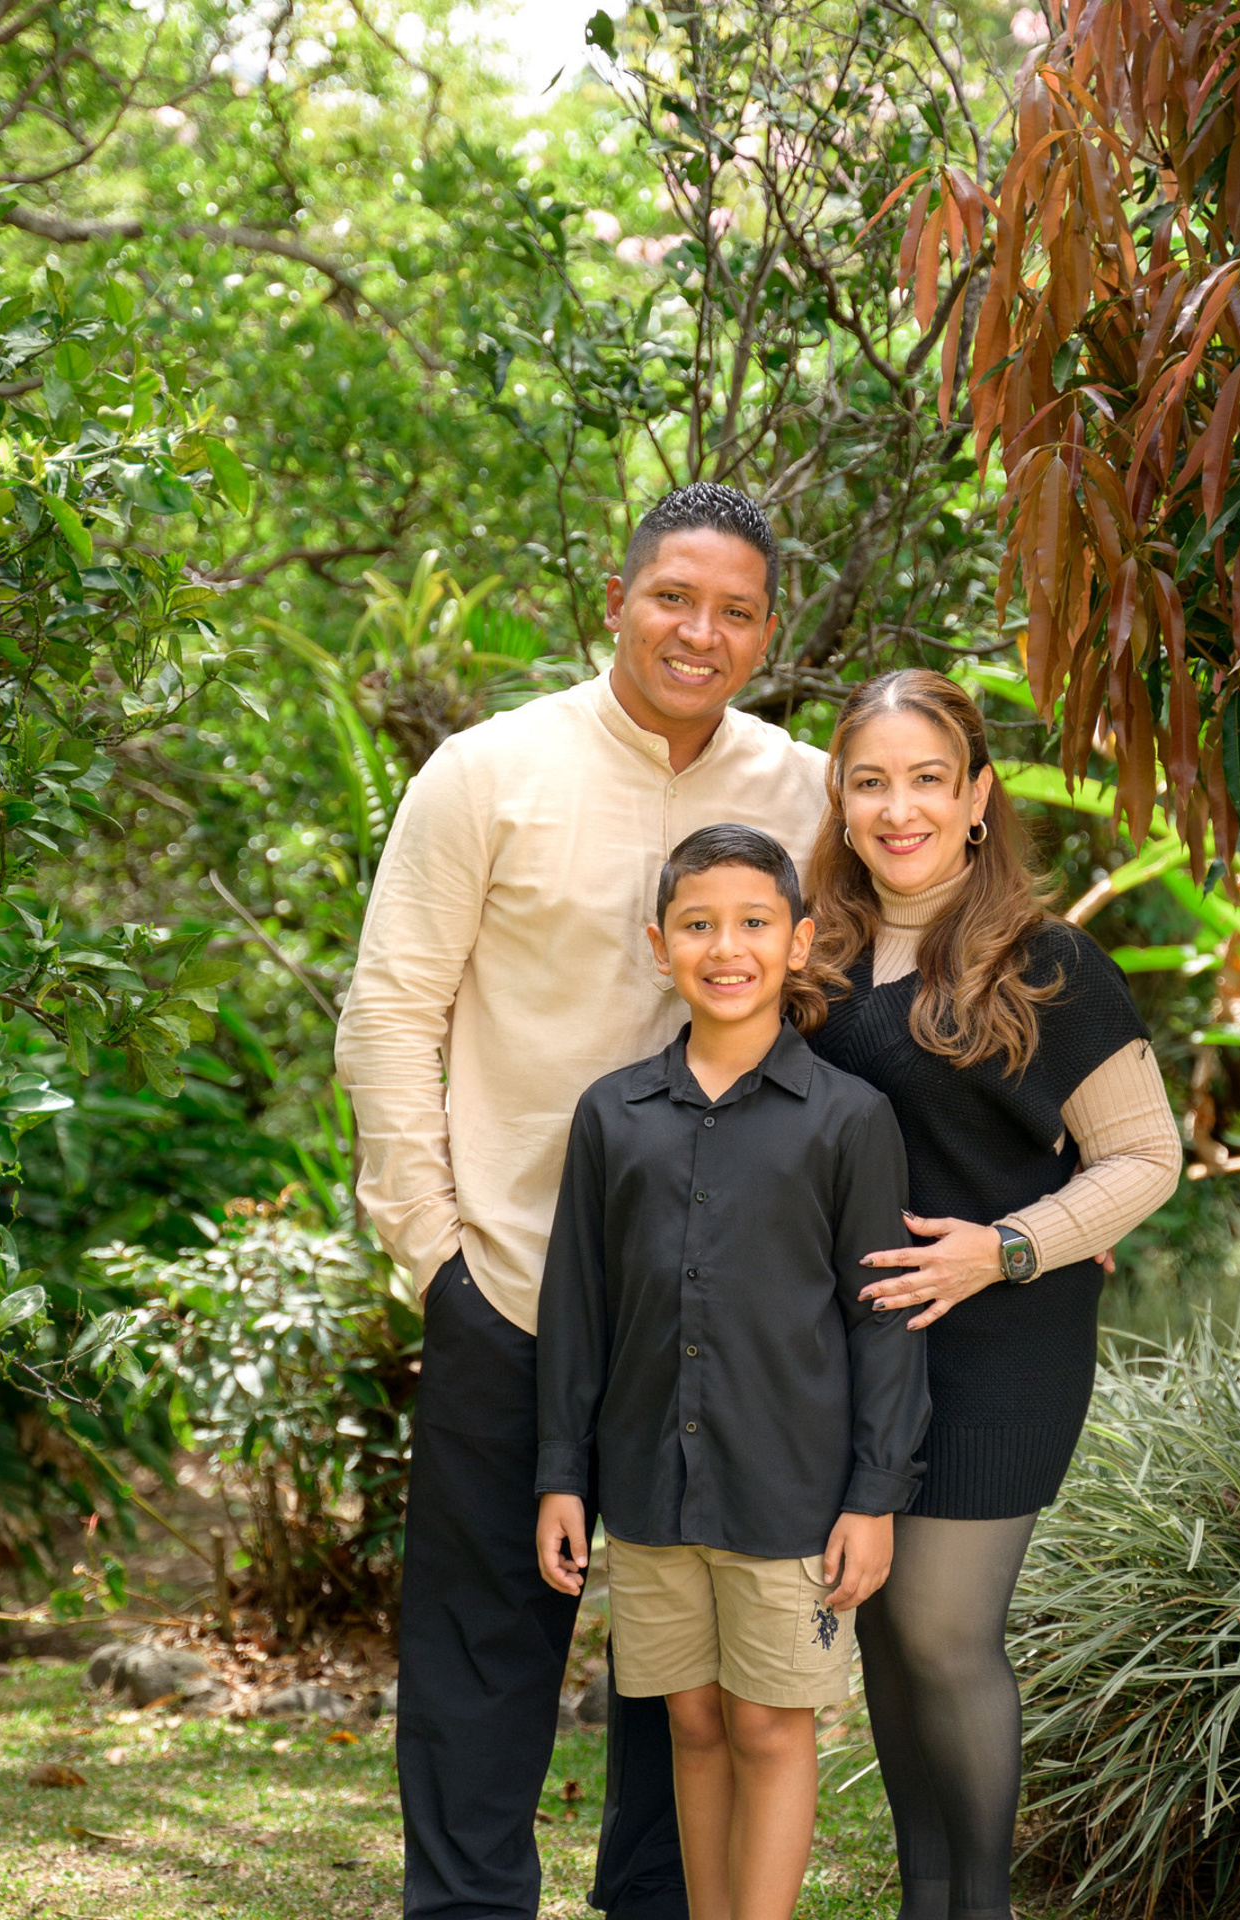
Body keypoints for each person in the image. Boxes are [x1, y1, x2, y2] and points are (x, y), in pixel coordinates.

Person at [334, 483, 828, 1920]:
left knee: (687, 1659)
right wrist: (435, 1248)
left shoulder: (801, 790)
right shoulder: (487, 772)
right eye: (675, 596)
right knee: (486, 1642)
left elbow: (868, 999)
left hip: (730, 1305)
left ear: (767, 633)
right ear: (617, 599)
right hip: (516, 1274)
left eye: (736, 610)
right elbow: (389, 1013)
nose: (701, 630)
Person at [801, 668, 1182, 1920]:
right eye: (871, 783)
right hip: (858, 1353)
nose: (897, 810)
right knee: (885, 1641)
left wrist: (1006, 1248)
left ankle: (981, 1908)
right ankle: (928, 1900)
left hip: (1000, 1346)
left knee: (945, 1634)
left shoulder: (1048, 963)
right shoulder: (818, 963)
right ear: (842, 801)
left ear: (976, 799)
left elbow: (1144, 1157)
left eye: (926, 780)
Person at [535, 823, 930, 1920]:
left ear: (799, 941)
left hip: (791, 1490)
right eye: (699, 925)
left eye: (755, 923)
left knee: (766, 1724)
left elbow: (884, 1320)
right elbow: (579, 1302)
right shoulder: (612, 1114)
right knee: (695, 1721)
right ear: (661, 945)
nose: (728, 947)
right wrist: (563, 1475)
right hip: (649, 1487)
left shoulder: (851, 1120)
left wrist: (873, 1496)